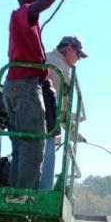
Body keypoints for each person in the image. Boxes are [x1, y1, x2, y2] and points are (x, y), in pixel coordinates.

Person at [3, 0, 87, 189]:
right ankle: (25, 196)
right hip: (26, 86)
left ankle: (17, 192)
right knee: (35, 144)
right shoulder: (23, 13)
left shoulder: (27, 23)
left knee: (22, 144)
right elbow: (36, 8)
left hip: (16, 85)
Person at [39, 36, 88, 190]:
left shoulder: (46, 57)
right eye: (78, 54)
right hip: (44, 123)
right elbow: (61, 108)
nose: (78, 60)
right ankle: (44, 192)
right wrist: (74, 133)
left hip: (27, 114)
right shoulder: (63, 69)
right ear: (68, 49)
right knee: (48, 152)